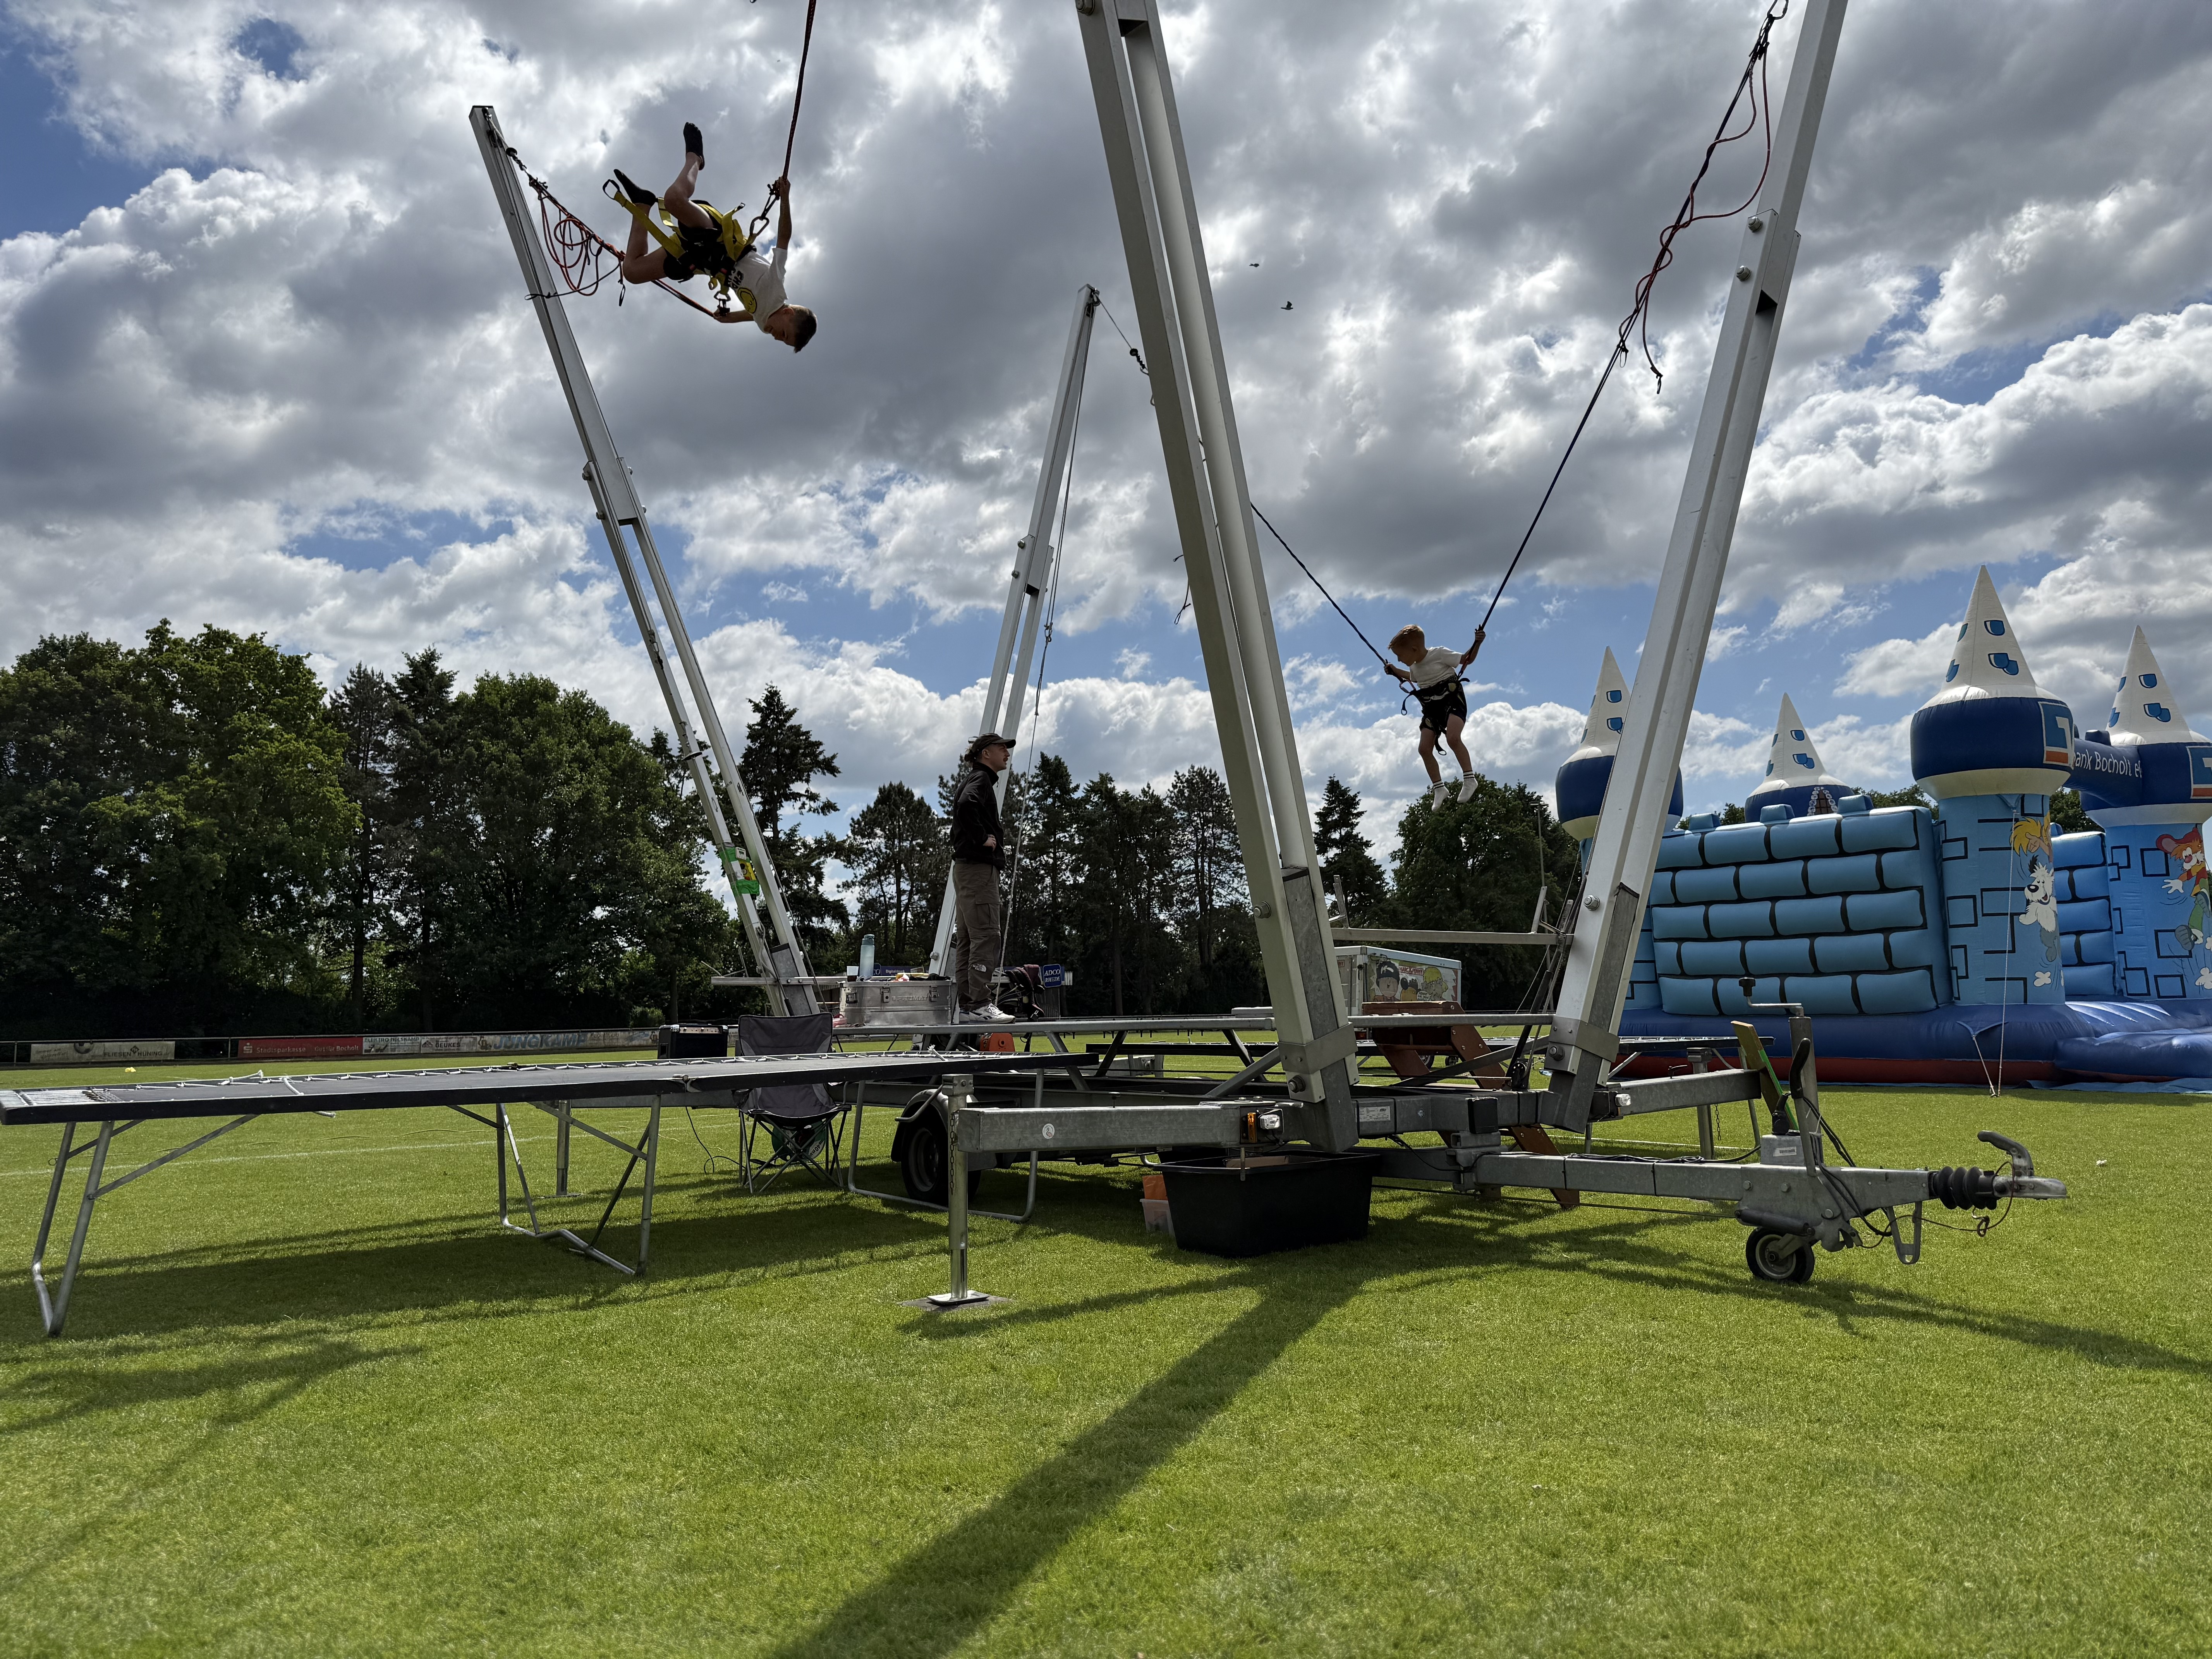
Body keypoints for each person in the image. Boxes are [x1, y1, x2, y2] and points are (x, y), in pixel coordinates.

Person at [612, 122, 817, 350]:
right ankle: (696, 159)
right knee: (674, 201)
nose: (777, 338)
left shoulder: (764, 322)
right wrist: (786, 198)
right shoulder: (776, 288)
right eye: (784, 334)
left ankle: (642, 205)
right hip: (717, 239)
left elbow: (752, 314)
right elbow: (784, 239)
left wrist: (728, 318)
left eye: (782, 341)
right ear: (788, 313)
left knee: (632, 272)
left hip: (702, 259)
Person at [949, 733, 1016, 1022]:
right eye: (1001, 748)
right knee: (987, 935)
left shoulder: (978, 779)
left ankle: (967, 1007)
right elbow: (966, 805)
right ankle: (979, 1004)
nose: (1007, 753)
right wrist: (982, 838)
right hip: (978, 871)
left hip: (967, 870)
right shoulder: (980, 780)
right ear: (985, 754)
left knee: (967, 938)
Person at [1384, 622, 1485, 806]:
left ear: (1414, 649)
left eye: (1400, 656)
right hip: (1432, 708)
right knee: (1424, 749)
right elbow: (1411, 677)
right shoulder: (1415, 667)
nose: (1399, 660)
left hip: (1452, 701)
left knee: (1453, 739)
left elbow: (1466, 660)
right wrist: (1394, 671)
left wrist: (1477, 643)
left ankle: (1470, 779)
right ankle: (1439, 788)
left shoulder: (1439, 654)